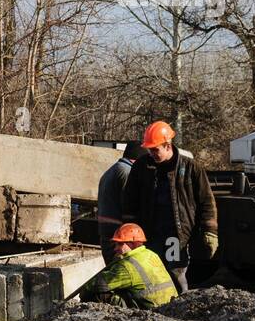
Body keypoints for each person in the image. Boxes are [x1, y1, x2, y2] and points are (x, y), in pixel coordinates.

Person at [121, 120, 218, 293]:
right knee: (148, 274)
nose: (152, 153)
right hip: (149, 234)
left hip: (175, 236)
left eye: (155, 149)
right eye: (149, 149)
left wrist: (210, 231)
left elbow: (206, 202)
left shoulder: (191, 168)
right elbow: (130, 202)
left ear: (168, 145)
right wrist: (129, 232)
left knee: (174, 273)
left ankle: (177, 309)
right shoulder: (142, 167)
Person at [81, 223, 178, 309]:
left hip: (150, 309)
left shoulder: (127, 265)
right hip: (169, 306)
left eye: (119, 244)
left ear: (132, 243)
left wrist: (84, 292)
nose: (115, 248)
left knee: (97, 294)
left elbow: (98, 284)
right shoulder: (151, 254)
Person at [97, 140, 144, 264]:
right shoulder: (127, 172)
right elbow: (129, 205)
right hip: (119, 233)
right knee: (121, 269)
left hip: (106, 231)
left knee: (113, 269)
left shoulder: (110, 171)